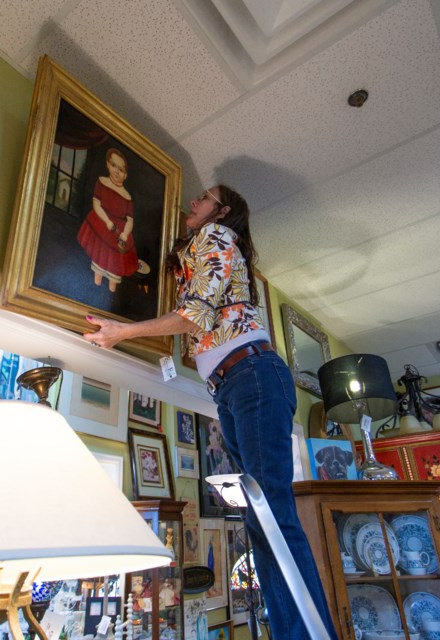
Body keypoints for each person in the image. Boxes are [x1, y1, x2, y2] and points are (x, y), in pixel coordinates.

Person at [84, 184, 337, 639]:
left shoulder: (217, 236)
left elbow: (196, 314)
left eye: (202, 198)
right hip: (235, 385)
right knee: (263, 519)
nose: (192, 203)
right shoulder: (198, 248)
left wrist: (122, 332)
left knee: (272, 516)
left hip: (251, 377)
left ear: (222, 212)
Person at [76, 147, 138, 292]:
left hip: (119, 233)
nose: (117, 171)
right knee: (99, 260)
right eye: (114, 165)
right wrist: (107, 221)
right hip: (102, 225)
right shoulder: (102, 182)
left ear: (126, 175)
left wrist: (125, 234)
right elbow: (96, 204)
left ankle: (110, 292)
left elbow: (130, 220)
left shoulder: (127, 196)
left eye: (121, 169)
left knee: (114, 272)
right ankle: (94, 288)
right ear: (107, 165)